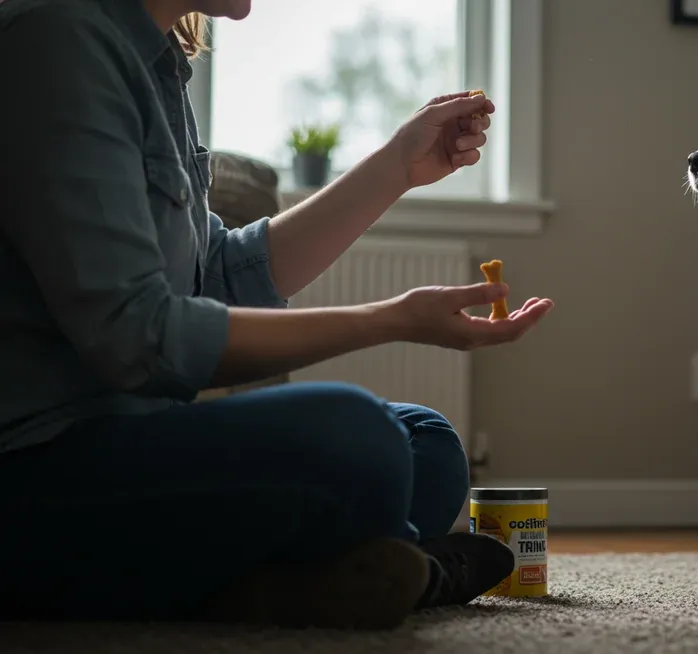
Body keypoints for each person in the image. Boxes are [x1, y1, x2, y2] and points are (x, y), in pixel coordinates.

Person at [0, 0, 554, 630]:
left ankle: (260, 584)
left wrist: (399, 164)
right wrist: (389, 319)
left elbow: (215, 275)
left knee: (426, 444)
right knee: (354, 436)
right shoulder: (55, 38)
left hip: (134, 446)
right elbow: (138, 336)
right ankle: (361, 575)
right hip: (34, 475)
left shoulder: (155, 62)